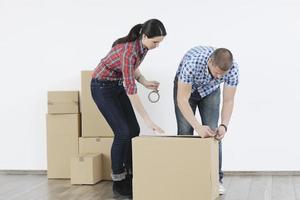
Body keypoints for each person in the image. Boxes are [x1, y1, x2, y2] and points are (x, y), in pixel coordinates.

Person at [91, 19, 166, 198]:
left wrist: (145, 82)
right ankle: (119, 181)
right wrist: (150, 121)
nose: (157, 46)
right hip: (101, 87)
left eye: (160, 42)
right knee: (123, 133)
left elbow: (134, 69)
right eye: (155, 41)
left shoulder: (143, 47)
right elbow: (132, 92)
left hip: (115, 85)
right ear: (145, 36)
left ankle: (130, 174)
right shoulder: (129, 51)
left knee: (133, 129)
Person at [173, 46, 239, 195]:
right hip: (186, 90)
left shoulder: (233, 69)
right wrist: (198, 127)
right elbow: (182, 99)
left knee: (214, 132)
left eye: (222, 75)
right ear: (210, 61)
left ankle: (216, 180)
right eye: (216, 73)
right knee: (185, 131)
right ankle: (186, 178)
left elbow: (228, 100)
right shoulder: (192, 63)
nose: (218, 77)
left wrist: (224, 125)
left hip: (210, 91)